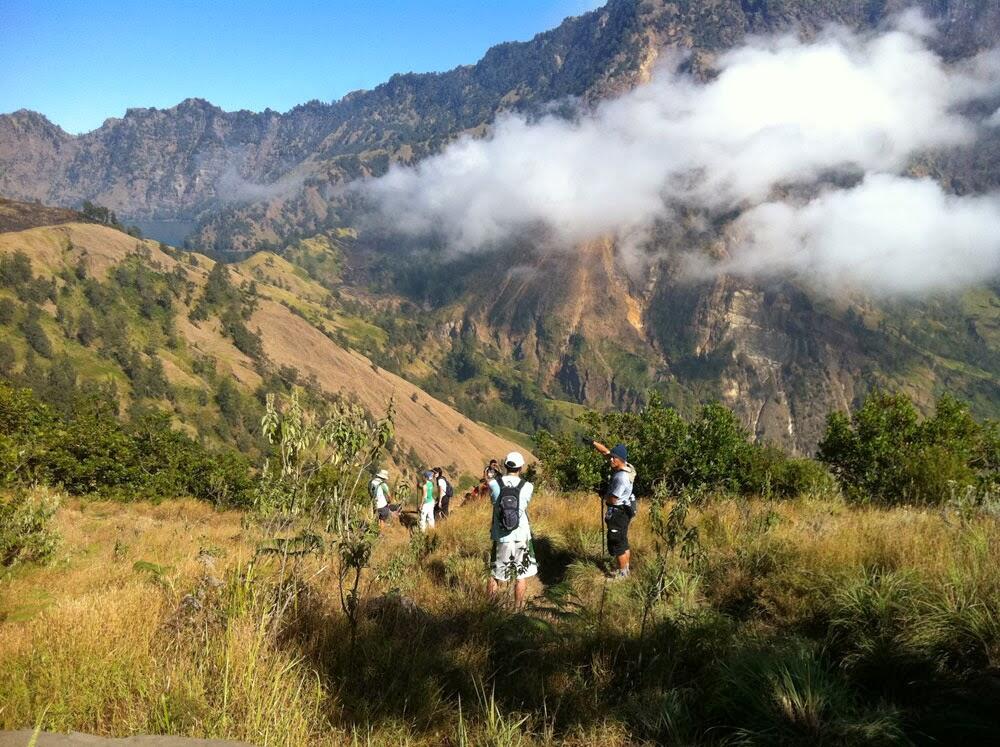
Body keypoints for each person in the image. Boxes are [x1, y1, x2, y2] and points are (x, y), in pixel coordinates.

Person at [487, 451, 537, 609]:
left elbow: (494, 503)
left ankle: (490, 609)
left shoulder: (494, 484)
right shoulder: (528, 486)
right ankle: (517, 610)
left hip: (501, 536)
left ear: (505, 466)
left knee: (495, 575)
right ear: (521, 467)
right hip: (521, 536)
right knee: (521, 576)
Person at [592, 441, 636, 579]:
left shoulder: (621, 478)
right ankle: (626, 570)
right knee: (623, 541)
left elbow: (612, 500)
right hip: (626, 509)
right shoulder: (627, 467)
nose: (610, 459)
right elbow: (606, 452)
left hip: (618, 512)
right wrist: (593, 443)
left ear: (620, 460)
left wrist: (604, 494)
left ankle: (622, 574)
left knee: (617, 543)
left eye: (613, 458)